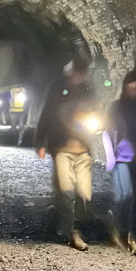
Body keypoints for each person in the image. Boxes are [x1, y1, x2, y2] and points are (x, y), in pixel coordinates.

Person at [35, 57, 100, 251]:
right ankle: (72, 232)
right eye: (76, 72)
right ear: (70, 72)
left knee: (84, 194)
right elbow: (47, 113)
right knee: (65, 190)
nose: (78, 76)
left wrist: (99, 123)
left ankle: (66, 220)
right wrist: (40, 141)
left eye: (82, 73)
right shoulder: (57, 88)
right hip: (61, 147)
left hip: (82, 149)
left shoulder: (89, 91)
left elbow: (98, 112)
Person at [104, 69, 136, 256]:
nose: (134, 91)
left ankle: (134, 237)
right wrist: (111, 156)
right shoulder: (117, 107)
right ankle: (117, 227)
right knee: (124, 196)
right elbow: (108, 131)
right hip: (122, 157)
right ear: (125, 87)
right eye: (131, 87)